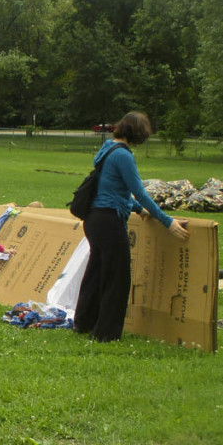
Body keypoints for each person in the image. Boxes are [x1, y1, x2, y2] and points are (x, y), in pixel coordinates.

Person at [74, 111, 190, 342]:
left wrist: (137, 209)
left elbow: (113, 189)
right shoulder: (124, 156)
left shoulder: (107, 148)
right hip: (110, 221)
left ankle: (84, 323)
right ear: (138, 133)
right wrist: (167, 221)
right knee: (117, 278)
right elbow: (139, 192)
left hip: (94, 219)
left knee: (96, 274)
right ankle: (105, 333)